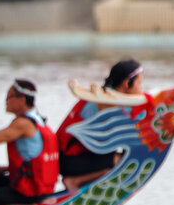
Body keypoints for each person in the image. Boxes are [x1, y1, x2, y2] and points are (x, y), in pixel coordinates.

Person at [57, 59, 147, 191]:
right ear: (127, 83)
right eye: (139, 83)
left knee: (125, 157)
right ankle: (74, 181)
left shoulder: (109, 96)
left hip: (77, 156)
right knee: (124, 161)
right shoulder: (105, 102)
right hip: (68, 160)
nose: (141, 88)